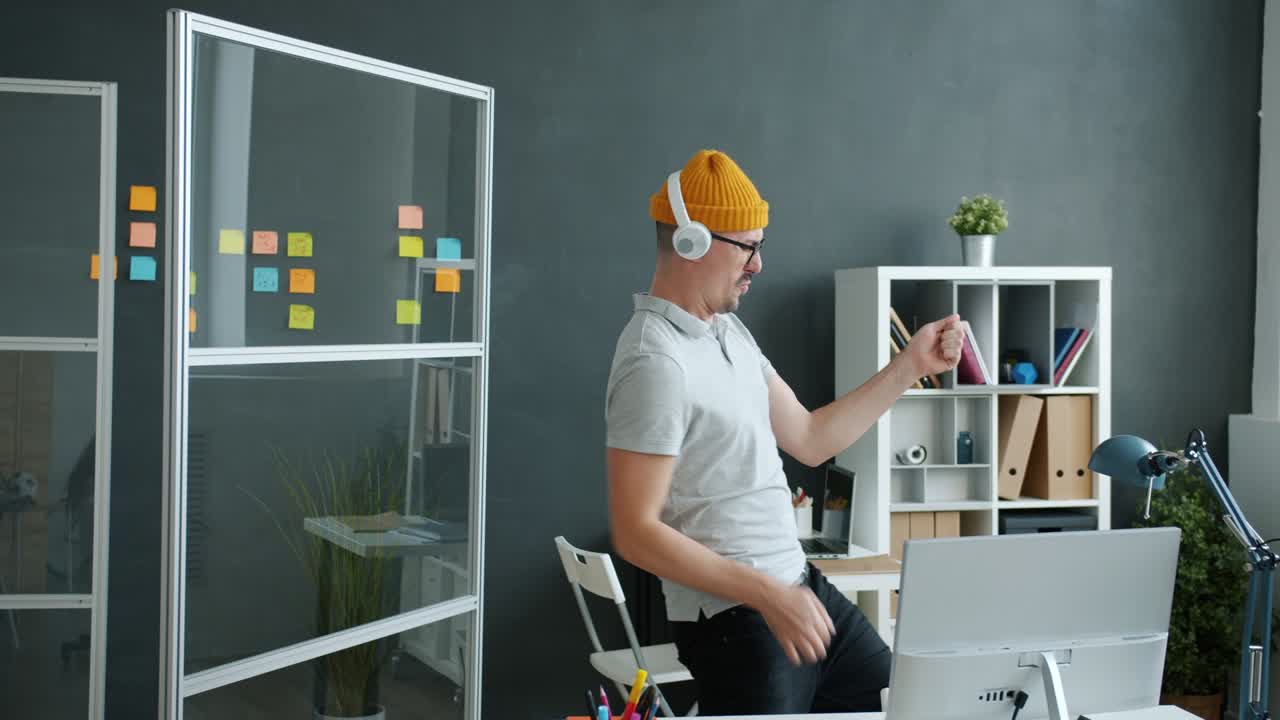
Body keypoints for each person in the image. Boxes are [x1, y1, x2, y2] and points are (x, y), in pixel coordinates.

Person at [605, 149, 962, 714]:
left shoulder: (728, 333)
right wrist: (768, 595)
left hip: (798, 588)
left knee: (907, 705)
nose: (758, 264)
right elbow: (634, 532)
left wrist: (910, 366)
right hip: (738, 619)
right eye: (747, 247)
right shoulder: (655, 361)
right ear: (692, 242)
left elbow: (811, 438)